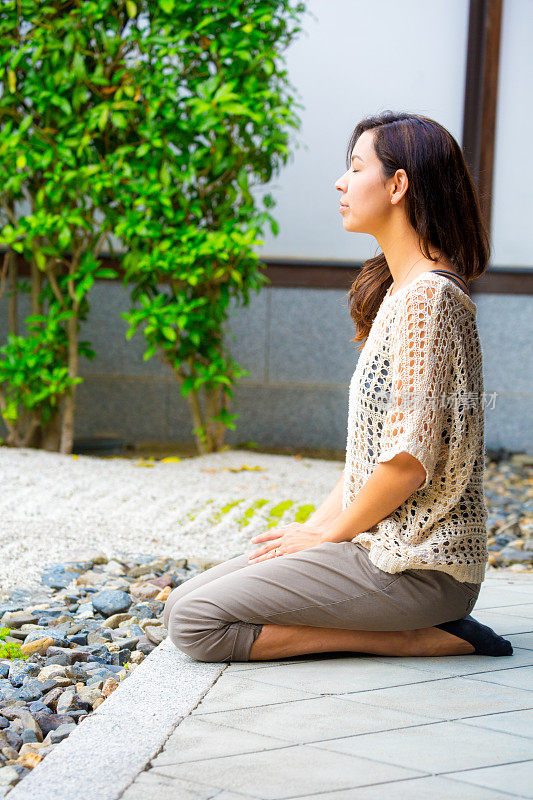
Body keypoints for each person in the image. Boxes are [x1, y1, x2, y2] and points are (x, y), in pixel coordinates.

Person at [163, 110, 513, 662]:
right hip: (379, 545)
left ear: (398, 185)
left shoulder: (431, 299)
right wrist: (317, 526)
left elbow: (406, 461)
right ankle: (406, 629)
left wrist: (328, 538)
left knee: (196, 623)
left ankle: (417, 638)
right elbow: (368, 462)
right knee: (182, 602)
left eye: (355, 167)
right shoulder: (401, 294)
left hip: (419, 567)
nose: (340, 183)